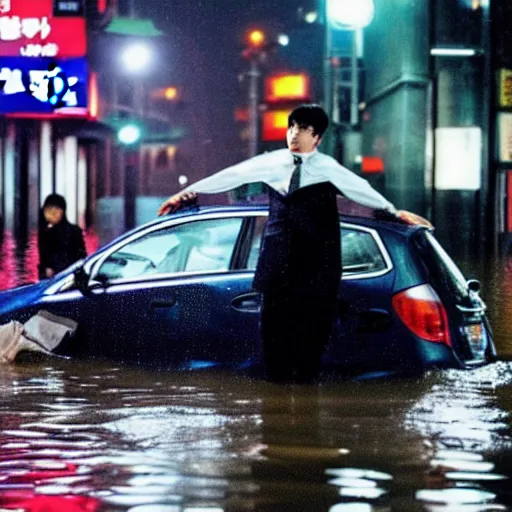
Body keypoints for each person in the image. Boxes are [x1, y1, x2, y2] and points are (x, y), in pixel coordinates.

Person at [158, 104, 430, 382]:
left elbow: (361, 190)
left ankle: (302, 408)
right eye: (291, 127)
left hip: (317, 273)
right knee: (274, 349)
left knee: (309, 353)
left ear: (317, 138)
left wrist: (394, 213)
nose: (294, 134)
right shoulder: (272, 163)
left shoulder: (328, 169)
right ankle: (277, 412)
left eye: (302, 129)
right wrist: (185, 195)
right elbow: (229, 176)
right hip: (277, 268)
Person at [38, 194, 87, 280]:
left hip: (66, 278)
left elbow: (81, 256)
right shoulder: (44, 232)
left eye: (56, 209)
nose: (52, 213)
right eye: (49, 209)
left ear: (62, 211)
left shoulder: (73, 231)